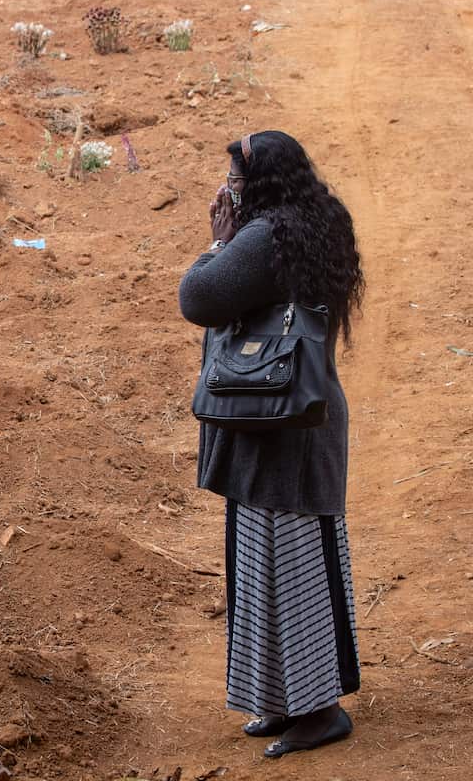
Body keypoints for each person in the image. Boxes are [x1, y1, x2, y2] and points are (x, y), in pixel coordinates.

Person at [178, 131, 366, 758]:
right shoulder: (321, 218)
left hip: (275, 419)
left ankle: (318, 713)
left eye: (234, 179)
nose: (227, 189)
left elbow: (198, 298)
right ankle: (290, 701)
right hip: (301, 412)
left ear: (255, 182)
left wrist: (219, 240)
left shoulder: (264, 237)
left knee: (284, 567)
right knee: (286, 560)